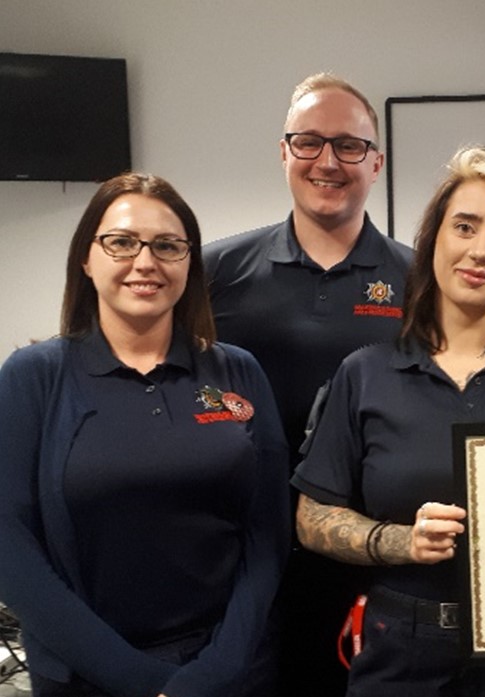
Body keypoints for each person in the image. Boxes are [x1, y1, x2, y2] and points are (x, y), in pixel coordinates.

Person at [291, 146, 485, 696]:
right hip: (403, 648)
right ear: (434, 244)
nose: (481, 251)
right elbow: (311, 518)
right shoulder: (366, 374)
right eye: (465, 227)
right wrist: (402, 542)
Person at [0, 173, 289, 697]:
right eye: (122, 242)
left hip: (230, 673)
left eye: (167, 245)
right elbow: (10, 546)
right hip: (87, 677)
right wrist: (138, 680)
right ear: (87, 259)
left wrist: (218, 670)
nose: (145, 260)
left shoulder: (237, 373)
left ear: (189, 264)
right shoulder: (33, 377)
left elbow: (268, 534)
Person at [203, 73, 412, 695]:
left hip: (373, 557)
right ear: (283, 152)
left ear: (376, 162)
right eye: (309, 142)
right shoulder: (215, 273)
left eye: (349, 146)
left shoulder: (423, 279)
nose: (328, 161)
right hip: (243, 557)